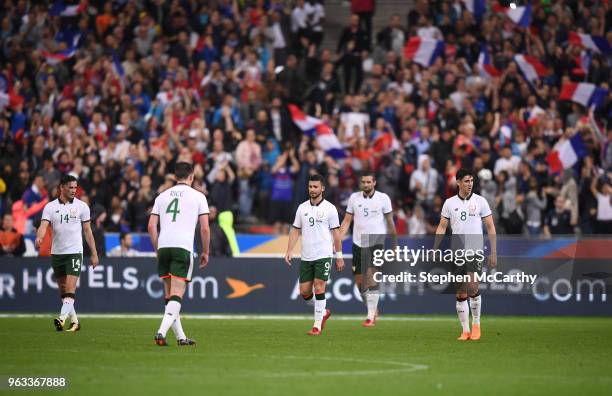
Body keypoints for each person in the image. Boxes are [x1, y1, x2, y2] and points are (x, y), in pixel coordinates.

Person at [148, 162, 210, 347]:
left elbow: (151, 226)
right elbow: (205, 228)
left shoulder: (162, 196)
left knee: (169, 295)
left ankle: (181, 337)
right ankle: (161, 331)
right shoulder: (198, 196)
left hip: (164, 246)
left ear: (175, 177)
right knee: (177, 293)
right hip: (182, 247)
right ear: (191, 177)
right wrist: (206, 251)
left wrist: (156, 248)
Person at [435, 169, 497, 341]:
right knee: (461, 291)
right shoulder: (449, 203)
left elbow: (491, 227)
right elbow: (442, 226)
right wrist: (435, 247)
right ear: (458, 182)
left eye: (471, 181)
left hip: (475, 249)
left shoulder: (480, 201)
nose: (470, 184)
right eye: (466, 181)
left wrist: (493, 252)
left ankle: (476, 325)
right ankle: (465, 330)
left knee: (472, 286)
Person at [35, 175, 99, 332]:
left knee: (71, 287)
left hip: (75, 252)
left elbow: (88, 231)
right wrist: (40, 236)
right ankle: (75, 322)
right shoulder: (50, 207)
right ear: (61, 187)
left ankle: (61, 319)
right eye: (70, 187)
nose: (73, 190)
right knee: (63, 290)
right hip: (57, 253)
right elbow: (44, 225)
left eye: (75, 187)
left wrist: (94, 253)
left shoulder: (82, 207)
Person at [285, 174, 344, 335]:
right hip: (307, 255)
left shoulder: (330, 209)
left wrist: (339, 256)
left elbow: (336, 234)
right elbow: (296, 230)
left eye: (315, 187)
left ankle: (317, 325)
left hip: (324, 254)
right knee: (304, 291)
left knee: (319, 286)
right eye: (310, 186)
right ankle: (323, 312)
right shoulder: (302, 208)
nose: (312, 189)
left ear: (322, 188)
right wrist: (289, 250)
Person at [339, 171, 396, 327]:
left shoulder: (383, 198)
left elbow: (390, 223)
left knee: (370, 276)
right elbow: (346, 222)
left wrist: (395, 244)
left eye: (368, 182)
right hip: (358, 243)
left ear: (374, 183)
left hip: (376, 241)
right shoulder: (354, 198)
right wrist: (337, 240)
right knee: (359, 282)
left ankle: (370, 317)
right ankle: (373, 309)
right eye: (363, 182)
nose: (366, 185)